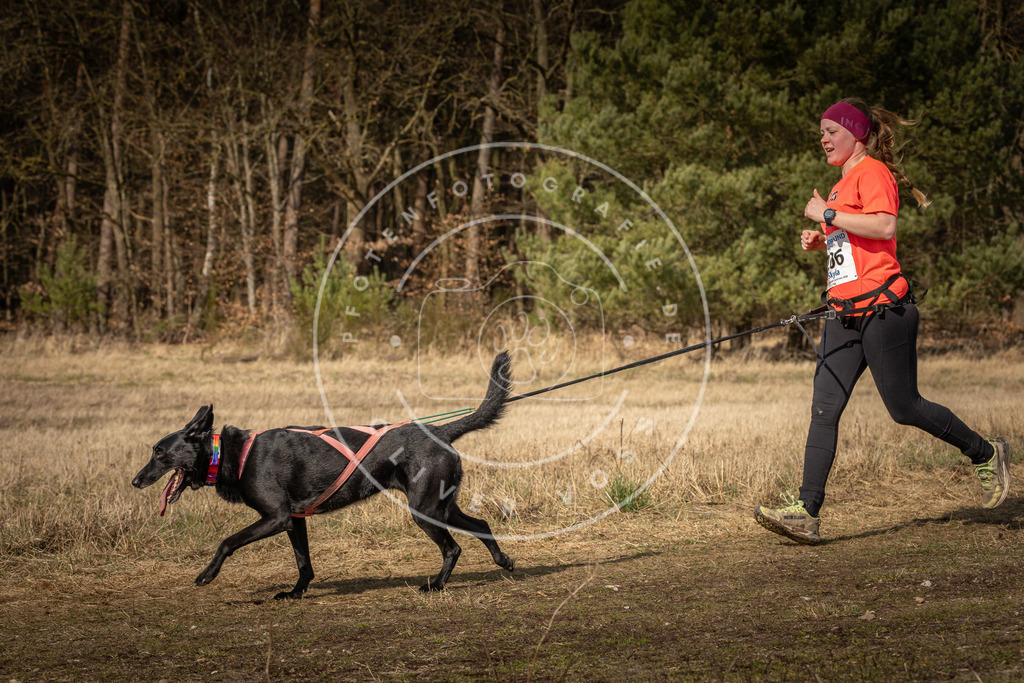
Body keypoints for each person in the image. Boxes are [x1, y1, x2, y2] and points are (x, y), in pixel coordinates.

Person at [753, 97, 1011, 544]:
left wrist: (827, 215)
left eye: (832, 130)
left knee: (904, 408)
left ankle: (985, 452)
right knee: (824, 409)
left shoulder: (872, 172)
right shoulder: (840, 183)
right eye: (822, 131)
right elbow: (856, 240)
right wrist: (825, 240)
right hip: (843, 314)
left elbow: (885, 227)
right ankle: (806, 512)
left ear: (856, 133)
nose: (823, 138)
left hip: (884, 311)